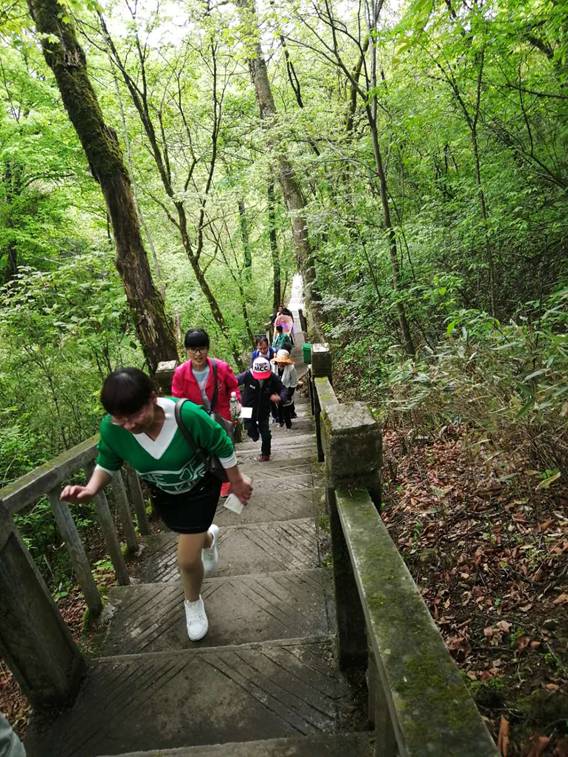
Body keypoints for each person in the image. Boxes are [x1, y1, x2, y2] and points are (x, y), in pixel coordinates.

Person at [60, 368, 252, 642]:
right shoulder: (112, 429)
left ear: (153, 397)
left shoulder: (186, 415)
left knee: (186, 560)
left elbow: (221, 444)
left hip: (200, 490)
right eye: (119, 418)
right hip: (165, 495)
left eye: (134, 415)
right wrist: (91, 489)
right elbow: (108, 460)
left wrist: (237, 481)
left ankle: (192, 602)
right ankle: (209, 538)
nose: (128, 425)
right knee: (188, 533)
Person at [172, 328, 240, 498]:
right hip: (197, 419)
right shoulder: (180, 373)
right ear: (187, 350)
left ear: (207, 348)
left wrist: (236, 406)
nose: (198, 354)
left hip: (222, 416)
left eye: (202, 348)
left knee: (224, 447)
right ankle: (211, 482)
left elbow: (233, 386)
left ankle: (226, 481)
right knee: (203, 452)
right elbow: (178, 400)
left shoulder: (221, 367)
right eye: (193, 349)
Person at [236, 357, 286, 462]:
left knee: (266, 433)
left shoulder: (272, 377)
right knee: (250, 430)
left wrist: (280, 397)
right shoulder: (247, 375)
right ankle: (254, 434)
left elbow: (283, 389)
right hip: (247, 407)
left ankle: (265, 454)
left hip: (264, 408)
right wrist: (237, 401)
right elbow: (232, 383)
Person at [271, 350, 298, 429]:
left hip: (287, 388)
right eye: (280, 361)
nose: (281, 363)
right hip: (276, 389)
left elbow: (294, 382)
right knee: (278, 405)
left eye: (283, 361)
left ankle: (288, 423)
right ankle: (280, 421)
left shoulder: (291, 368)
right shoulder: (273, 366)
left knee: (285, 406)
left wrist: (289, 394)